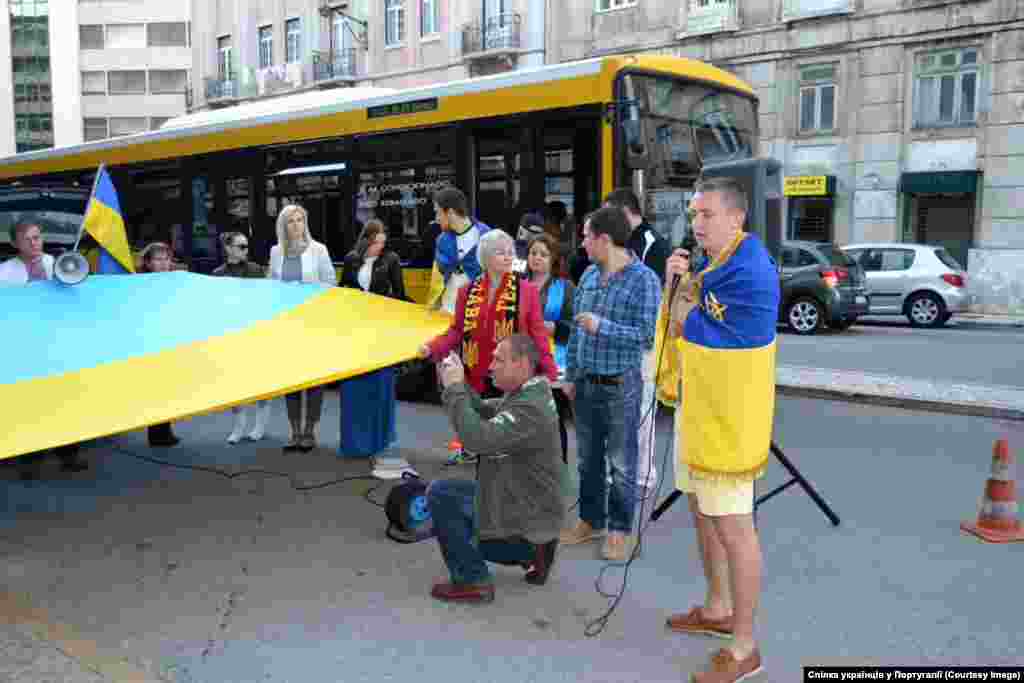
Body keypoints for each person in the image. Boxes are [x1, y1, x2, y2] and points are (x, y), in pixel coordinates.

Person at [664, 177, 780, 683]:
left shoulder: (750, 271)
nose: (696, 224)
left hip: (729, 421)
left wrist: (681, 305)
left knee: (736, 527)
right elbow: (680, 317)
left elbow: (691, 325)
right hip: (701, 410)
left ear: (737, 218)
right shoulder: (718, 264)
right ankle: (716, 608)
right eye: (693, 215)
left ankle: (745, 647)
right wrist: (678, 292)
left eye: (706, 214)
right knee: (702, 507)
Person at [427, 334, 566, 604]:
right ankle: (534, 550)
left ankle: (473, 580)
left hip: (523, 512)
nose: (490, 366)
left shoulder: (529, 408)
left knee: (442, 495)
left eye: (498, 360)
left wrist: (456, 389)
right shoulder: (530, 392)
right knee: (459, 494)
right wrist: (456, 383)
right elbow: (482, 412)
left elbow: (477, 439)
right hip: (528, 504)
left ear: (522, 365)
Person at [559, 207, 660, 562]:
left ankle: (619, 531)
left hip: (621, 384)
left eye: (587, 236)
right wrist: (570, 375)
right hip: (585, 382)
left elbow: (646, 337)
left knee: (621, 462)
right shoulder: (587, 275)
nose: (582, 242)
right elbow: (574, 331)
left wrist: (602, 326)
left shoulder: (644, 279)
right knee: (588, 460)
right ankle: (591, 520)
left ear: (604, 239)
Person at [420, 229, 558, 465]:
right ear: (485, 258)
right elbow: (457, 330)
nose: (507, 257)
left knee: (505, 429)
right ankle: (473, 451)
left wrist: (549, 372)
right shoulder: (466, 291)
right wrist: (432, 347)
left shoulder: (527, 291)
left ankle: (503, 459)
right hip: (476, 372)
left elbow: (538, 334)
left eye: (510, 252)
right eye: (500, 253)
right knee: (477, 419)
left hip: (513, 373)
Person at [1, 222, 89, 477]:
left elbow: (78, 298)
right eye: (27, 239)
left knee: (66, 400)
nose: (34, 243)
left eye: (37, 237)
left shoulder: (60, 263)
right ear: (15, 244)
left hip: (60, 344)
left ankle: (69, 454)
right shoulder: (4, 272)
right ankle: (30, 458)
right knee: (30, 404)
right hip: (24, 347)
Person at [603, 189, 673, 511]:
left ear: (624, 210)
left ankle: (642, 476)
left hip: (642, 341)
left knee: (642, 409)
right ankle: (621, 471)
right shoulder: (623, 241)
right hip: (619, 338)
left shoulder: (653, 245)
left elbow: (653, 296)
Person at [268, 204, 337, 452]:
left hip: (313, 323)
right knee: (292, 380)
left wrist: (306, 291)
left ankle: (310, 430)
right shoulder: (276, 252)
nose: (296, 225)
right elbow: (271, 286)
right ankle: (295, 431)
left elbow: (330, 283)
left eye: (300, 220)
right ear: (283, 226)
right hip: (288, 325)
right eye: (291, 221)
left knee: (314, 381)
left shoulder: (319, 250)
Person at [338, 220, 405, 456]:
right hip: (356, 330)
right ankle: (355, 441)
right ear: (366, 240)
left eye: (383, 243)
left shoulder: (392, 260)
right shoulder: (351, 259)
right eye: (377, 242)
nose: (380, 247)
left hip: (381, 331)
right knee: (355, 388)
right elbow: (343, 289)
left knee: (379, 385)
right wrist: (351, 294)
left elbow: (400, 295)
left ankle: (379, 440)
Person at [212, 231, 270, 444]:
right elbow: (215, 307)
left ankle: (260, 426)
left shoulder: (256, 270)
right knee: (235, 383)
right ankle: (238, 427)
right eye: (241, 246)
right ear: (229, 249)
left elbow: (266, 300)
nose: (246, 250)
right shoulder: (217, 274)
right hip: (231, 334)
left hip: (256, 332)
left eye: (247, 246)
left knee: (261, 381)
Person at [525, 232, 575, 464]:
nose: (537, 258)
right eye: (533, 253)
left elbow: (575, 325)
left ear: (553, 259)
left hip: (556, 361)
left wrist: (554, 328)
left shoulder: (565, 287)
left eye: (543, 254)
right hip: (524, 361)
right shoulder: (517, 284)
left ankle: (558, 468)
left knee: (553, 420)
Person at [139, 242, 182, 448]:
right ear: (148, 263)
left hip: (169, 340)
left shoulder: (174, 281)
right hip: (150, 342)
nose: (163, 263)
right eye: (158, 259)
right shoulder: (140, 284)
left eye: (166, 259)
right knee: (154, 389)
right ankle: (157, 434)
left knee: (168, 388)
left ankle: (164, 430)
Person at [427, 187, 491, 314]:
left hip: (475, 315)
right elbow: (437, 280)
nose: (436, 218)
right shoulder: (441, 241)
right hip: (445, 312)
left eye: (438, 212)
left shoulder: (486, 236)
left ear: (450, 212)